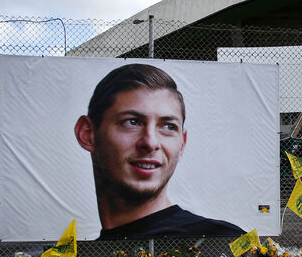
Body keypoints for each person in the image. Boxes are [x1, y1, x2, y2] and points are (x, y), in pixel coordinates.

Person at [74, 63, 245, 239]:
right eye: (131, 122)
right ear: (87, 134)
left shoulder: (224, 242)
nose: (150, 142)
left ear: (182, 144)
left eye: (168, 126)